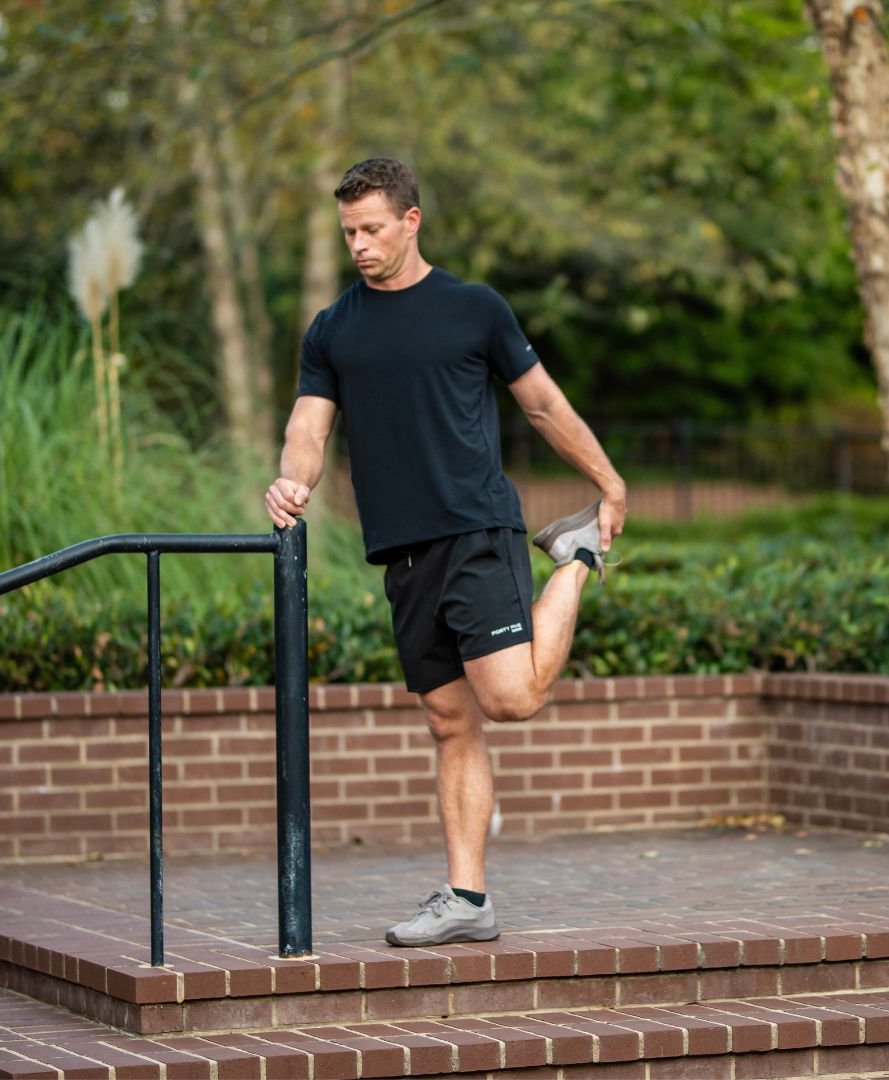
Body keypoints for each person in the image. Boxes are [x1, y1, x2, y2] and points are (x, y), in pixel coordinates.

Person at [265, 157, 626, 948]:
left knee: (510, 699)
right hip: (401, 552)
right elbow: (309, 425)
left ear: (411, 220)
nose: (358, 245)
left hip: (475, 530)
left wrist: (607, 482)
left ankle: (573, 557)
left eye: (371, 229)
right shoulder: (334, 328)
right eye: (348, 232)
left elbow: (541, 404)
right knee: (447, 719)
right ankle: (468, 898)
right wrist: (292, 484)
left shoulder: (472, 308)